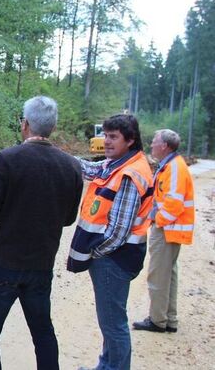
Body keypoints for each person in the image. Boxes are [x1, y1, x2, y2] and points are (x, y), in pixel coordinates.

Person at [0, 96, 83, 370]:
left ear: (25, 124)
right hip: (40, 267)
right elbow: (69, 218)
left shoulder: (8, 159)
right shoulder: (71, 166)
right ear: (53, 127)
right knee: (43, 333)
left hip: (4, 265)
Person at [67, 114, 153, 370]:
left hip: (114, 259)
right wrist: (58, 156)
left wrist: (96, 253)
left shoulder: (130, 173)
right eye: (105, 135)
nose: (106, 141)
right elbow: (92, 169)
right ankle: (106, 366)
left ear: (131, 139)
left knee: (113, 324)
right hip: (117, 257)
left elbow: (118, 231)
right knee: (110, 321)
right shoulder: (119, 163)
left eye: (113, 136)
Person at [132, 129, 194, 333]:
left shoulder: (174, 168)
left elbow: (173, 204)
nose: (151, 144)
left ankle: (158, 320)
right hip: (169, 229)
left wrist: (157, 221)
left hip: (167, 229)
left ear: (165, 146)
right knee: (168, 275)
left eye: (155, 141)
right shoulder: (170, 165)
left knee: (158, 275)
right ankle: (168, 319)